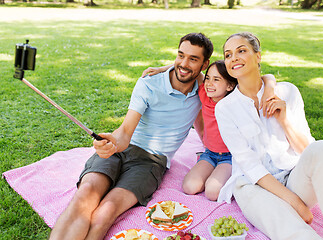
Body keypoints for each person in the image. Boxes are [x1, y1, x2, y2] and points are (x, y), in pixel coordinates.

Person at [49, 32, 212, 240]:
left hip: (151, 162)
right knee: (85, 195)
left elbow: (236, 74)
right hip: (122, 148)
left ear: (204, 64)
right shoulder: (148, 84)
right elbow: (126, 131)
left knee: (107, 209)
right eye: (180, 55)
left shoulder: (205, 89)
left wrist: (270, 81)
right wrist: (112, 144)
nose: (184, 63)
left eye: (193, 59)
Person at [215, 32, 323, 240]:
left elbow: (306, 150)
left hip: (293, 177)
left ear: (258, 56)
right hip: (253, 186)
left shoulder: (287, 91)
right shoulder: (225, 109)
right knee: (286, 224)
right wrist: (294, 202)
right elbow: (249, 165)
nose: (233, 58)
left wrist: (284, 121)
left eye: (241, 51)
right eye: (228, 55)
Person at [143, 61, 276, 201]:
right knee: (189, 187)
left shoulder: (235, 101)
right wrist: (161, 69)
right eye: (208, 78)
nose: (209, 83)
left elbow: (266, 77)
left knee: (212, 192)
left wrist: (270, 88)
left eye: (216, 79)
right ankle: (211, 170)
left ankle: (234, 176)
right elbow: (190, 68)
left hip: (230, 157)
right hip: (210, 153)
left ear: (230, 85)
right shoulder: (205, 95)